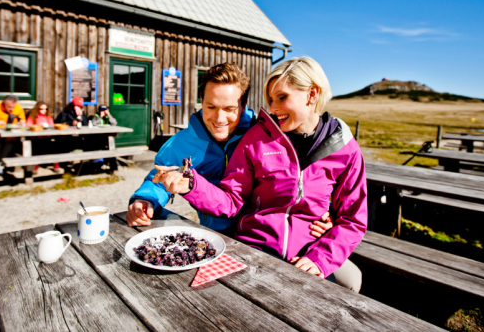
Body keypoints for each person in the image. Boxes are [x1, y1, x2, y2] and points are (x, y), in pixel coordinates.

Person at [155, 57, 366, 291]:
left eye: (282, 97)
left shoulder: (344, 147)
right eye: (270, 99)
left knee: (344, 293)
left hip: (309, 253)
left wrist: (320, 258)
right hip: (254, 247)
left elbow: (353, 219)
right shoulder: (256, 138)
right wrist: (192, 185)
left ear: (312, 94)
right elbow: (231, 199)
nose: (274, 108)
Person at [126, 63, 257, 234]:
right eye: (211, 107)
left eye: (229, 109)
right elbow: (159, 178)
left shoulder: (260, 137)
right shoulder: (182, 143)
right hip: (213, 233)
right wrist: (145, 199)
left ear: (243, 105)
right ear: (201, 101)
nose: (219, 118)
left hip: (257, 238)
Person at [26, 102, 62, 173]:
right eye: (41, 109)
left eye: (45, 109)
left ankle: (56, 165)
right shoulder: (33, 117)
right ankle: (35, 166)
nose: (43, 111)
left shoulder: (48, 117)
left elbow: (52, 125)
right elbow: (28, 125)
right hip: (37, 138)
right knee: (37, 148)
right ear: (37, 109)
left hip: (47, 137)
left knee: (54, 146)